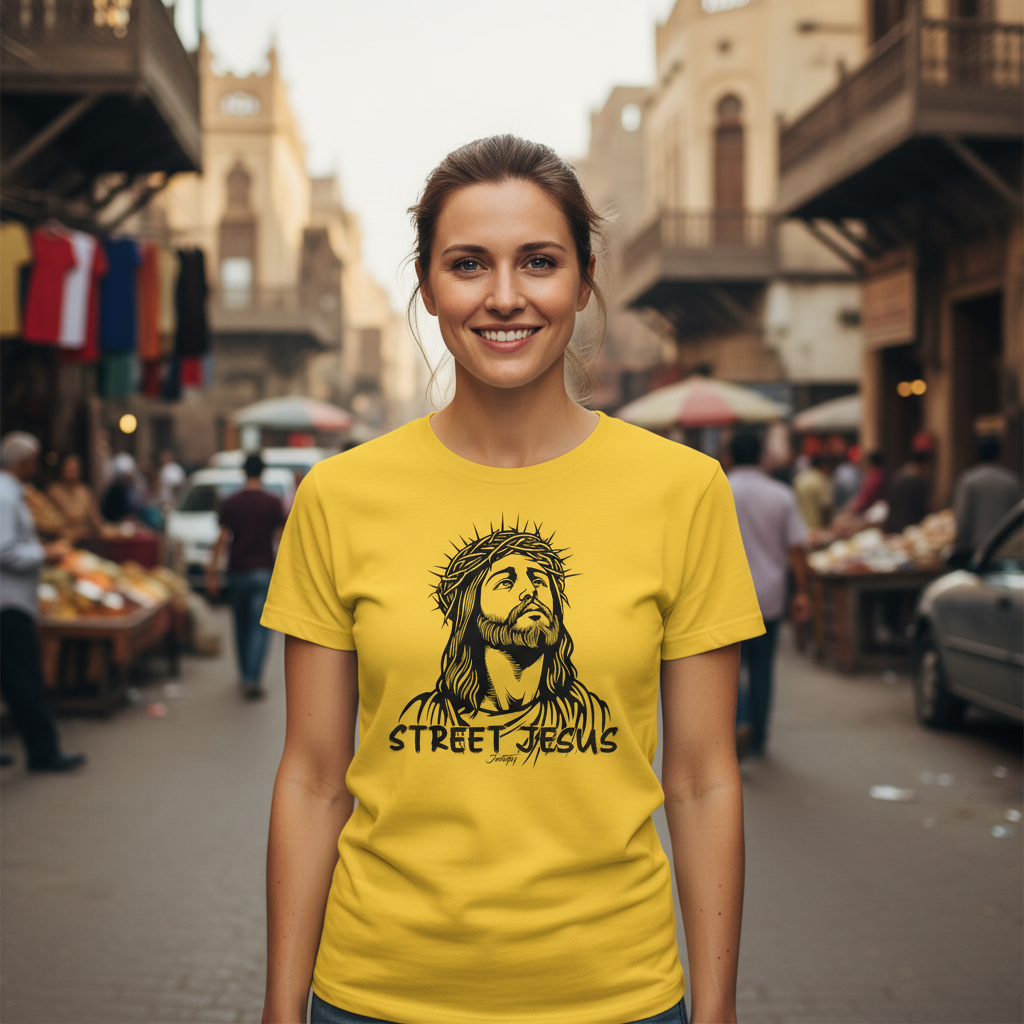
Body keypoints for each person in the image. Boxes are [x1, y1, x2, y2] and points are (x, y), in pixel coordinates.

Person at [259, 136, 764, 1024]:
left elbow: (700, 778)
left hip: (618, 997)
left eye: (539, 262)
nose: (504, 296)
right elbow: (311, 778)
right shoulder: (338, 496)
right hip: (376, 993)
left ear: (585, 277)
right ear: (426, 285)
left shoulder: (683, 492)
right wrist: (279, 1006)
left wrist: (716, 1007)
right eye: (467, 264)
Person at [0, 432, 86, 772]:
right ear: (23, 463)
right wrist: (44, 553)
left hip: (12, 598)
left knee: (13, 678)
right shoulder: (6, 496)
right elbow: (5, 549)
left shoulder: (13, 493)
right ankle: (43, 751)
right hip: (9, 601)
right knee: (25, 679)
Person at [727, 432, 811, 758]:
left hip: (728, 596)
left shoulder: (719, 489)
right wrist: (801, 592)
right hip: (770, 595)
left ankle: (739, 721)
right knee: (762, 667)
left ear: (730, 456)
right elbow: (796, 548)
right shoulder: (781, 495)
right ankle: (758, 735)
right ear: (761, 456)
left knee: (730, 668)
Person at [206, 453, 284, 699]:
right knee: (260, 628)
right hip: (263, 572)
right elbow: (282, 541)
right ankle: (254, 677)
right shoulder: (273, 502)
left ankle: (245, 676)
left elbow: (221, 540)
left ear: (244, 472)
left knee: (240, 626)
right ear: (263, 472)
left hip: (237, 572)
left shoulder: (232, 502)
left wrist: (212, 573)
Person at [952, 436, 1022, 556]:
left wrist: (960, 545)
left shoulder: (969, 480)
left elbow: (962, 517)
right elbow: (1018, 518)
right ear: (999, 453)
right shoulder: (1011, 480)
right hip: (1006, 547)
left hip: (976, 546)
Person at [47, 454, 106, 546]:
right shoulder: (54, 491)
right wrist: (73, 533)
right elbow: (50, 522)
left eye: (75, 470)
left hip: (86, 541)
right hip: (63, 541)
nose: (72, 473)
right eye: (69, 470)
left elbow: (96, 521)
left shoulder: (85, 492)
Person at [883, 440, 933, 535]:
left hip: (892, 525)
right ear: (924, 464)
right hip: (908, 529)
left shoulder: (897, 474)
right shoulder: (917, 481)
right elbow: (924, 507)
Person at [793, 453, 833, 530]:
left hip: (800, 526)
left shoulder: (800, 477)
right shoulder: (819, 479)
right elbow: (826, 506)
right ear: (826, 466)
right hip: (816, 528)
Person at [851, 450, 887, 515]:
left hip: (872, 512)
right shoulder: (879, 474)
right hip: (871, 510)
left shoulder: (876, 477)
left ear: (871, 462)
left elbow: (868, 496)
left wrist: (854, 507)